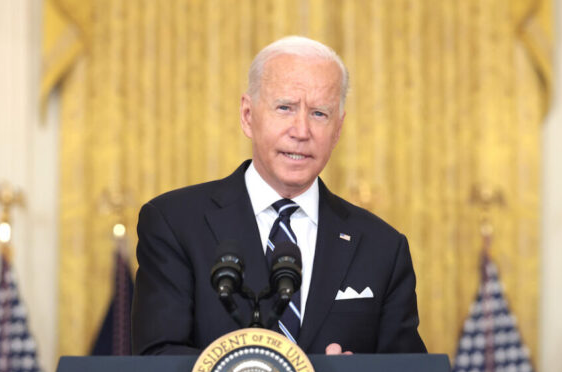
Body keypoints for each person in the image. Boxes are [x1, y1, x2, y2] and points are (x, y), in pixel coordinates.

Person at [132, 36, 426, 355]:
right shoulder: (174, 224)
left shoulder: (382, 246)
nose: (301, 131)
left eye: (319, 114)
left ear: (338, 129)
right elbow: (158, 358)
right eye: (285, 108)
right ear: (248, 116)